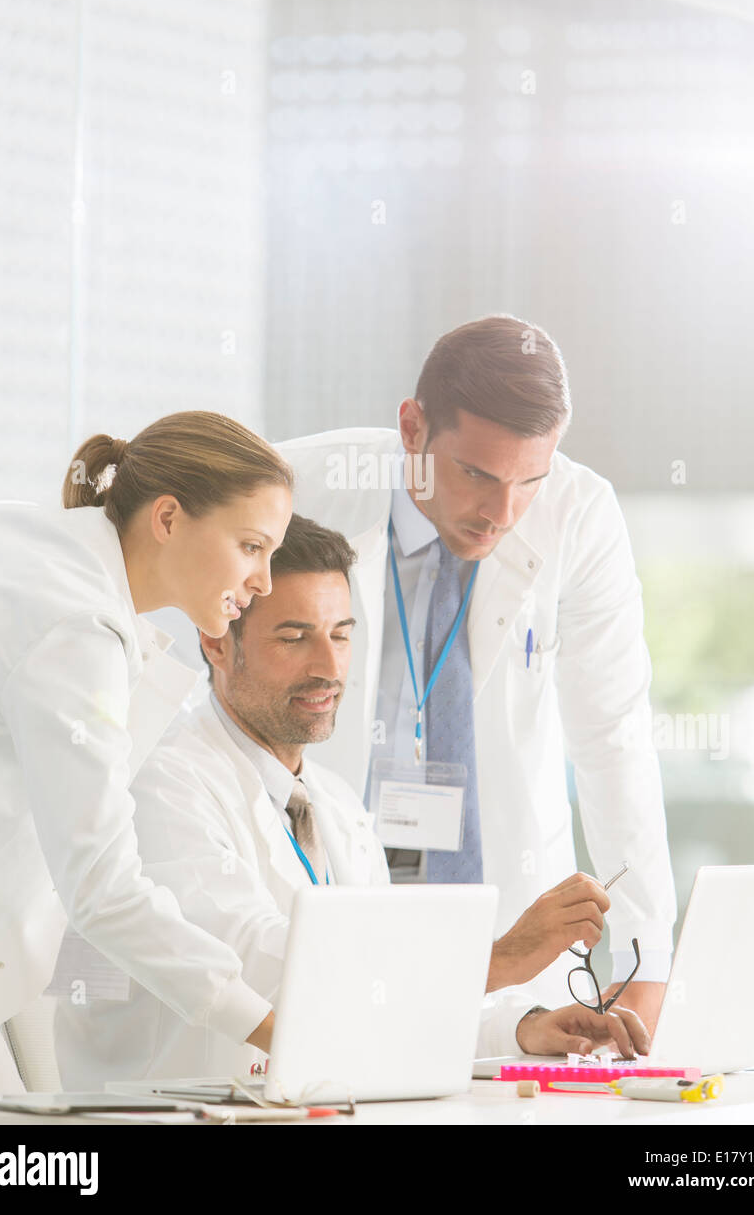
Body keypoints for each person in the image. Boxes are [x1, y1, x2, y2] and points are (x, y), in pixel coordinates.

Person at [56, 514, 650, 1088]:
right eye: (294, 637)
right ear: (216, 642)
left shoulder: (334, 805)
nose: (328, 667)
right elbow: (263, 964)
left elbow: (379, 1004)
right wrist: (495, 960)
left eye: (340, 635)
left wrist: (523, 1030)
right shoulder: (159, 781)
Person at [275, 317, 676, 1030]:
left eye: (530, 481)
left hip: (512, 924)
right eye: (476, 476)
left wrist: (645, 959)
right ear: (411, 428)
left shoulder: (578, 516)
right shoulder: (292, 491)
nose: (502, 514)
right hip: (323, 894)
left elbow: (613, 737)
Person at [0, 410, 292, 1088]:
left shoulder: (27, 538)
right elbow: (103, 892)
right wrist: (279, 1028)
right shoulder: (77, 627)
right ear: (167, 519)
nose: (265, 582)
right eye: (252, 546)